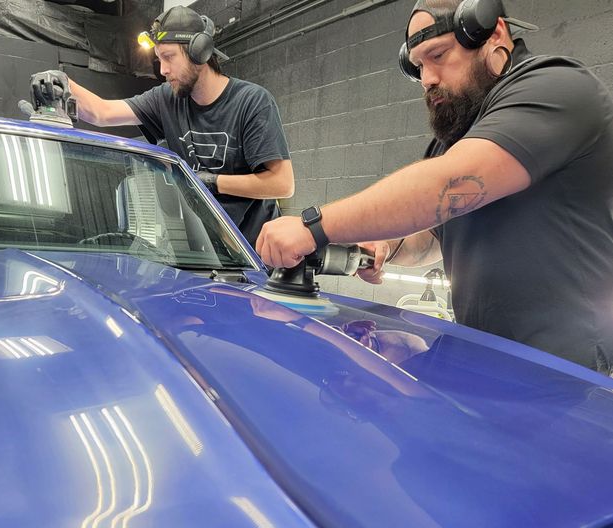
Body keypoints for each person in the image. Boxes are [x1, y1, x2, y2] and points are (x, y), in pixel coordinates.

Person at [256, 0, 613, 374]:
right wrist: (388, 246)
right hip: (484, 356)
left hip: (571, 374)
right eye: (418, 67)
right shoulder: (461, 131)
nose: (426, 78)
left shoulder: (558, 88)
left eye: (438, 55)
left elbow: (447, 185)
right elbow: (432, 238)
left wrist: (313, 227)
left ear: (494, 34)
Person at [35, 6, 293, 248]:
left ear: (200, 54)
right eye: (159, 59)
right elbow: (102, 112)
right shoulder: (166, 99)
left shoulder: (252, 102)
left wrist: (212, 182)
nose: (164, 70)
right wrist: (62, 84)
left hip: (259, 254)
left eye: (169, 58)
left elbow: (282, 184)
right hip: (210, 253)